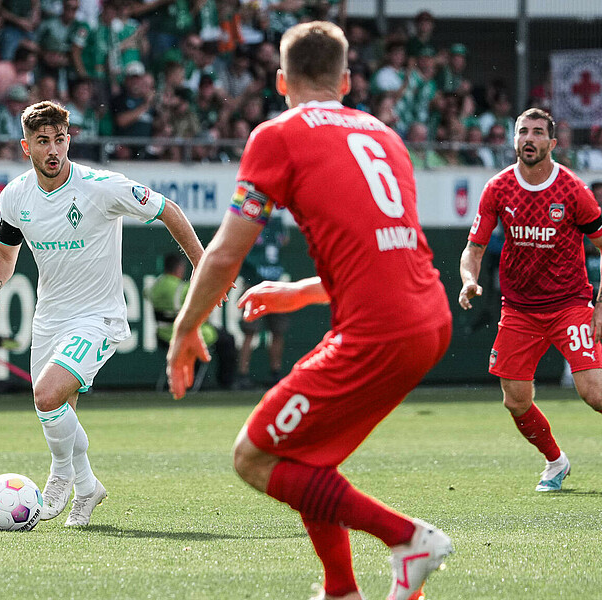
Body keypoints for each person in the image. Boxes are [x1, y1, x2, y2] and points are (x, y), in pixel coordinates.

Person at [167, 22, 453, 600]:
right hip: (429, 318)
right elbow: (385, 252)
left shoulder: (278, 135)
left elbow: (223, 252)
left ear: (280, 81)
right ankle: (340, 589)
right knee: (305, 459)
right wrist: (301, 292)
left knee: (255, 455)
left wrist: (186, 327)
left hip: (378, 332)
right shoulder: (386, 137)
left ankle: (408, 539)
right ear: (346, 80)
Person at [0, 100, 204, 527]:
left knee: (46, 395)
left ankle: (61, 476)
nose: (53, 150)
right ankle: (87, 486)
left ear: (69, 139)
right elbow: (5, 257)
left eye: (60, 139)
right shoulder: (15, 196)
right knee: (58, 408)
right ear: (27, 147)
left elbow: (169, 210)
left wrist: (203, 266)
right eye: (43, 142)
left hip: (98, 318)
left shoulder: (101, 186)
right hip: (49, 319)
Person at [458, 108, 602, 494]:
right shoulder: (498, 188)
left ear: (552, 143)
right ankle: (555, 462)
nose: (529, 138)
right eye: (523, 131)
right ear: (514, 140)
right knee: (515, 401)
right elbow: (473, 249)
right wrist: (469, 280)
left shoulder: (573, 190)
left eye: (538, 132)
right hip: (519, 309)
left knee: (593, 392)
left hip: (569, 305)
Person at [146, 253, 237, 389]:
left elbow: (146, 294)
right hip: (185, 334)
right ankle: (226, 383)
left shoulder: (155, 286)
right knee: (227, 340)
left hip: (163, 337)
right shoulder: (183, 288)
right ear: (179, 268)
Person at [236, 211, 289, 388]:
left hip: (273, 285)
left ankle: (275, 372)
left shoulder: (275, 224)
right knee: (250, 332)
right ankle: (243, 374)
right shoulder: (249, 220)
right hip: (255, 284)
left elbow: (284, 239)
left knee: (277, 331)